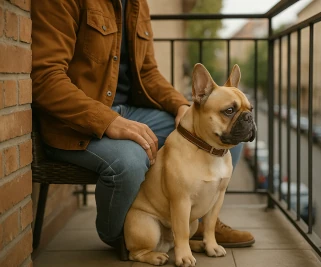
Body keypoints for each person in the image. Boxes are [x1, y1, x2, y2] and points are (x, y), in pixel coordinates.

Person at [31, 0, 255, 253]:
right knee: (130, 161)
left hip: (131, 111)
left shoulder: (137, 4)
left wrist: (180, 106)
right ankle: (125, 238)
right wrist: (107, 120)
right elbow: (44, 77)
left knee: (223, 136)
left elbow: (148, 72)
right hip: (75, 121)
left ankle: (198, 221)